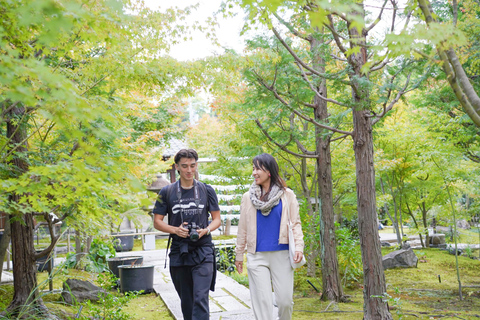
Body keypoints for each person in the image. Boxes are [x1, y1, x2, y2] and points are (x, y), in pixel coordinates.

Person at [153, 148, 221, 320]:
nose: (189, 170)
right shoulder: (166, 192)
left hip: (203, 249)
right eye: (184, 166)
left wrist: (205, 230)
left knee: (200, 298)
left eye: (192, 166)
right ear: (176, 167)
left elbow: (216, 220)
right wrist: (175, 230)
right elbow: (157, 222)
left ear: (196, 165)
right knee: (187, 302)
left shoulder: (207, 190)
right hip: (179, 251)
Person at [235, 153, 304, 320]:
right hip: (256, 255)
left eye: (258, 168)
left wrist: (299, 247)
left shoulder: (287, 195)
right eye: (253, 169)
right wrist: (239, 254)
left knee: (285, 301)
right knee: (262, 302)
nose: (254, 173)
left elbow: (295, 223)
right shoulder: (247, 197)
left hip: (282, 254)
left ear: (270, 171)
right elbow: (242, 228)